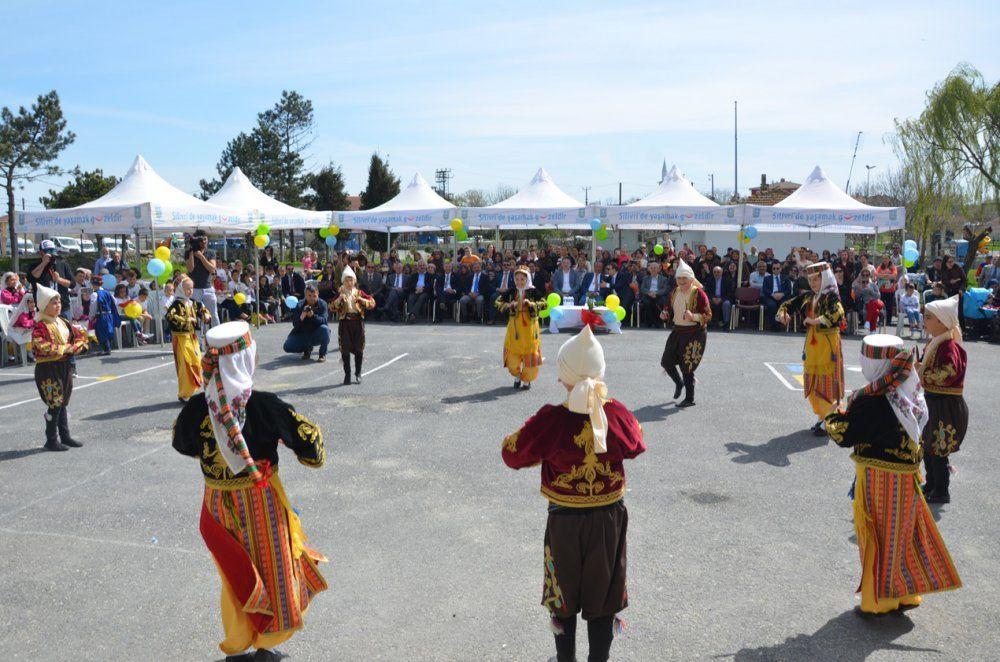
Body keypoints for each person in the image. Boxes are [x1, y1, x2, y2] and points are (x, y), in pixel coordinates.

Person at [171, 321, 327, 661]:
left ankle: (238, 643)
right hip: (261, 501)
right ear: (246, 359)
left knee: (234, 574)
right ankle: (265, 644)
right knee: (272, 570)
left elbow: (181, 444)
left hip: (216, 504)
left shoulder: (197, 408)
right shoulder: (264, 406)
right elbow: (310, 447)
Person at [501, 326, 645, 662]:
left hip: (564, 521)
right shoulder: (616, 413)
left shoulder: (552, 419)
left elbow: (512, 453)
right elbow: (638, 444)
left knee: (562, 593)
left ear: (565, 374)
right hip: (608, 518)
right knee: (603, 592)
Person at [824, 334, 960, 616]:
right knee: (902, 535)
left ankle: (879, 601)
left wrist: (833, 414)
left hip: (878, 477)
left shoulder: (872, 398)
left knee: (877, 535)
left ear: (874, 362)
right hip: (908, 477)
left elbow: (846, 435)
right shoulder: (910, 389)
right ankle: (906, 594)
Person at [777, 262, 845, 434]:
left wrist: (815, 321)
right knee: (813, 382)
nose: (813, 283)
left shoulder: (831, 296)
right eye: (810, 279)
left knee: (827, 382)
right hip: (813, 346)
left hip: (828, 346)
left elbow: (838, 314)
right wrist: (783, 314)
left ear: (825, 278)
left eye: (816, 279)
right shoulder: (808, 296)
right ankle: (822, 416)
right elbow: (788, 305)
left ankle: (829, 419)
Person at [918, 295, 968, 504]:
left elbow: (948, 372)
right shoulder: (936, 342)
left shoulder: (949, 346)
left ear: (941, 321)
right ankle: (931, 484)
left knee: (938, 449)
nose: (924, 319)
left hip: (945, 406)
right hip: (934, 402)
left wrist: (921, 373)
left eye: (928, 317)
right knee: (928, 447)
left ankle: (941, 491)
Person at [32, 284, 88, 452]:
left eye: (58, 302)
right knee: (55, 402)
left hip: (64, 365)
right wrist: (64, 349)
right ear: (44, 305)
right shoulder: (40, 325)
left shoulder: (63, 321)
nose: (58, 305)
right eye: (53, 303)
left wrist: (77, 346)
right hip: (48, 368)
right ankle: (51, 439)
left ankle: (65, 436)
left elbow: (79, 337)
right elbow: (39, 344)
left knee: (63, 401)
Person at [659, 259, 711, 407]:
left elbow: (708, 315)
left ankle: (689, 398)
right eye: (679, 278)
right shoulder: (674, 292)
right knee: (666, 361)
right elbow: (667, 309)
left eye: (684, 278)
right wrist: (664, 314)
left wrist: (693, 316)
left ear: (691, 279)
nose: (681, 281)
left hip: (695, 333)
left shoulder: (699, 294)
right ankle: (679, 383)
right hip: (677, 331)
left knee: (687, 366)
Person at [495, 266, 547, 390]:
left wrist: (532, 304)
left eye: (522, 279)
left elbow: (545, 304)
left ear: (527, 279)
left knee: (530, 353)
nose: (519, 282)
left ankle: (527, 380)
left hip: (530, 328)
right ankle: (517, 375)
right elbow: (497, 302)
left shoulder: (534, 291)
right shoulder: (511, 291)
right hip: (515, 328)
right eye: (517, 279)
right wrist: (509, 305)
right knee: (513, 357)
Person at [167, 277, 212, 402]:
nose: (190, 291)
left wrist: (206, 314)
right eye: (187, 289)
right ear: (181, 289)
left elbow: (202, 309)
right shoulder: (177, 303)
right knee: (185, 365)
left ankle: (192, 390)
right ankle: (184, 393)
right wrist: (187, 320)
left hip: (192, 337)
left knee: (197, 361)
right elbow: (170, 316)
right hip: (181, 338)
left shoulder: (192, 302)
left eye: (191, 288)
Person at [332, 266, 375, 385]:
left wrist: (361, 300)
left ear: (354, 281)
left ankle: (358, 373)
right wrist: (339, 299)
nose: (349, 282)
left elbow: (372, 303)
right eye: (346, 280)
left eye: (351, 280)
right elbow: (332, 307)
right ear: (343, 281)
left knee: (359, 349)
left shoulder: (359, 292)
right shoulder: (340, 293)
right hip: (345, 323)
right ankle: (347, 375)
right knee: (344, 350)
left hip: (358, 322)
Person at [283, 284, 330, 361]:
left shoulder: (323, 304)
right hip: (303, 333)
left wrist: (313, 316)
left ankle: (322, 354)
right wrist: (302, 316)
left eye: (314, 296)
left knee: (325, 329)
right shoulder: (300, 304)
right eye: (309, 295)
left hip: (316, 334)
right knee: (287, 346)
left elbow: (324, 321)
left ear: (318, 294)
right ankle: (307, 348)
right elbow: (295, 325)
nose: (312, 298)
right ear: (305, 295)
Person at [184, 230, 219, 327]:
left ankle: (217, 338)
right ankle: (198, 339)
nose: (204, 242)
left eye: (205, 239)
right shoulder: (189, 252)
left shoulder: (210, 252)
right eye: (201, 240)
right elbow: (190, 269)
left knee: (213, 314)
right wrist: (191, 252)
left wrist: (201, 257)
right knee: (195, 315)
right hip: (194, 289)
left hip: (207, 288)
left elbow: (212, 269)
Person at [91, 282, 120, 355]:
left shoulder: (95, 294)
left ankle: (106, 349)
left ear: (94, 285)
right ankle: (108, 348)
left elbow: (93, 307)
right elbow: (115, 301)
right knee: (108, 331)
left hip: (101, 315)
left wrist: (91, 316)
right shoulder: (108, 292)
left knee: (101, 332)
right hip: (109, 314)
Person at [762, 262, 792, 331]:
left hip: (782, 297)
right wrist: (773, 294)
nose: (776, 270)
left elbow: (789, 290)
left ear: (781, 269)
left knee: (783, 305)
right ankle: (773, 325)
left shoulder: (786, 278)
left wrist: (782, 294)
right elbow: (764, 290)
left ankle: (780, 324)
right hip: (771, 297)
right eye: (774, 268)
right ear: (772, 269)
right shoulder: (767, 278)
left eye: (777, 268)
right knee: (772, 305)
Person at [640, 261, 670, 328]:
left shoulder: (664, 279)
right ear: (649, 269)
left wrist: (656, 293)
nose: (653, 269)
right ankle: (649, 322)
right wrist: (649, 293)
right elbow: (642, 288)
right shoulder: (645, 278)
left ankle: (658, 322)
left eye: (655, 268)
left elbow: (665, 289)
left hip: (659, 295)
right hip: (648, 295)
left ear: (659, 269)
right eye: (651, 268)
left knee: (660, 303)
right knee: (647, 303)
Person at [705, 265, 734, 329]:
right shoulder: (709, 280)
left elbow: (730, 293)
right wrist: (712, 298)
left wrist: (721, 299)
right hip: (712, 298)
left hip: (723, 298)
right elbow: (707, 291)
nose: (716, 273)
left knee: (727, 304)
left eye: (718, 272)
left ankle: (726, 324)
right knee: (705, 303)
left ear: (721, 272)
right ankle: (706, 322)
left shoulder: (727, 280)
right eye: (715, 272)